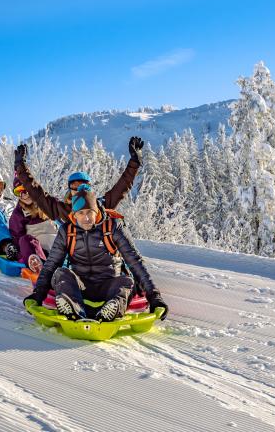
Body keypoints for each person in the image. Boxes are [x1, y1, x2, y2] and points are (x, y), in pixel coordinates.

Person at [24, 184, 168, 322]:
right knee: (60, 273)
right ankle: (74, 309)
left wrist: (154, 296)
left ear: (96, 211)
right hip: (80, 287)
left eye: (89, 212)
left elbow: (135, 262)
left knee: (127, 282)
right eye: (81, 213)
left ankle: (112, 308)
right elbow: (51, 264)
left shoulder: (113, 227)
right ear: (74, 214)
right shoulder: (67, 231)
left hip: (109, 285)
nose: (86, 218)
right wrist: (38, 293)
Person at [13, 137, 144, 223]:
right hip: (75, 261)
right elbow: (35, 191)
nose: (79, 189)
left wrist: (134, 163)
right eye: (74, 186)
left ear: (90, 189)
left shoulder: (101, 206)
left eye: (83, 186)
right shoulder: (60, 210)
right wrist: (21, 167)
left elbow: (122, 186)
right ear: (70, 189)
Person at [9, 175, 59, 271]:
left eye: (25, 189)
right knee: (24, 240)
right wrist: (21, 256)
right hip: (39, 250)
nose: (23, 194)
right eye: (18, 192)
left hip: (56, 246)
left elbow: (62, 211)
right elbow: (16, 237)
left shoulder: (46, 203)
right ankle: (37, 263)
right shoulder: (18, 213)